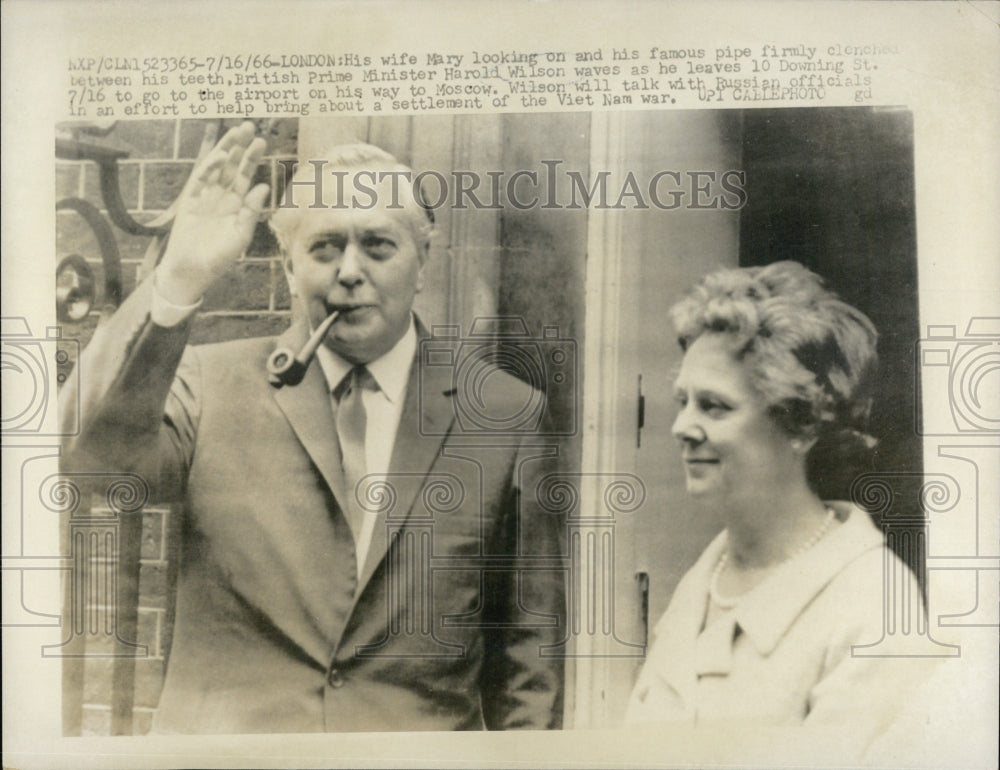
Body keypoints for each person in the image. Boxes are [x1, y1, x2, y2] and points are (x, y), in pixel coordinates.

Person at [60, 122, 565, 734]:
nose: (349, 271)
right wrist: (177, 280)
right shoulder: (207, 383)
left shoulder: (505, 415)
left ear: (423, 262)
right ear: (290, 267)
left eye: (378, 246)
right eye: (325, 247)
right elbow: (91, 466)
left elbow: (527, 663)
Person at [624, 261, 933, 748]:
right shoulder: (704, 580)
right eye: (682, 400)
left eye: (714, 405)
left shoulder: (874, 603)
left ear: (802, 425)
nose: (681, 426)